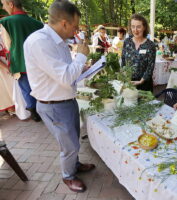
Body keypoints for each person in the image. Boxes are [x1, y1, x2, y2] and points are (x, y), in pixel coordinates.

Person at [23, 0, 94, 193]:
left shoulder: (57, 41)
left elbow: (63, 71)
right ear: (64, 23)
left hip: (65, 100)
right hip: (54, 104)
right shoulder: (40, 42)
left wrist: (82, 68)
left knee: (73, 140)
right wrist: (81, 57)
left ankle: (75, 164)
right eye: (75, 26)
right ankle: (68, 176)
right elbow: (64, 76)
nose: (76, 30)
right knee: (68, 145)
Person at [0, 0, 44, 121]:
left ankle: (34, 113)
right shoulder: (37, 23)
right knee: (39, 87)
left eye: (3, 4)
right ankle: (43, 110)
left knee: (26, 89)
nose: (3, 8)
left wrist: (10, 62)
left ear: (11, 4)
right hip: (38, 62)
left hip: (20, 62)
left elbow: (8, 45)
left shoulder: (5, 22)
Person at [121, 14, 156, 91]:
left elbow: (150, 66)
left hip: (144, 84)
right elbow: (123, 61)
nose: (135, 30)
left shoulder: (150, 45)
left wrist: (141, 81)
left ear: (144, 27)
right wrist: (124, 76)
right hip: (128, 83)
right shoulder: (127, 42)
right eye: (133, 26)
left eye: (138, 27)